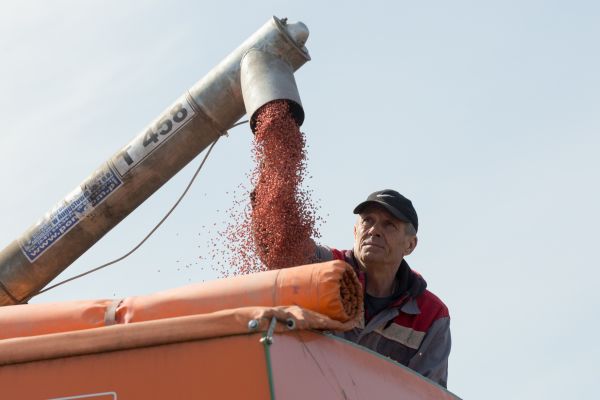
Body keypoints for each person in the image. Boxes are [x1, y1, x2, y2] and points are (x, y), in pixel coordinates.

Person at [314, 189, 451, 388]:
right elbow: (284, 248)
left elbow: (429, 392)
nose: (374, 230)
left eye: (389, 225)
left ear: (410, 245)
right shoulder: (326, 267)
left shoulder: (431, 315)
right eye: (368, 220)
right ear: (355, 231)